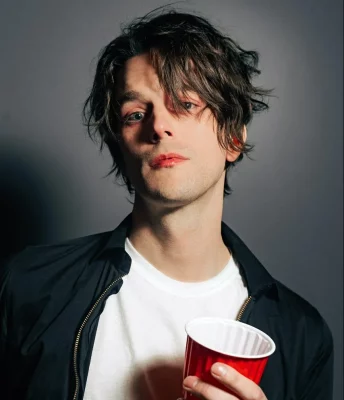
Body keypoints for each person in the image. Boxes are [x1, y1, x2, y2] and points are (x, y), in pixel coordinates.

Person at [0, 7, 333, 400]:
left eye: (187, 104)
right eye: (135, 114)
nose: (158, 126)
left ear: (233, 138)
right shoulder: (27, 286)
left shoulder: (301, 333)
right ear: (121, 149)